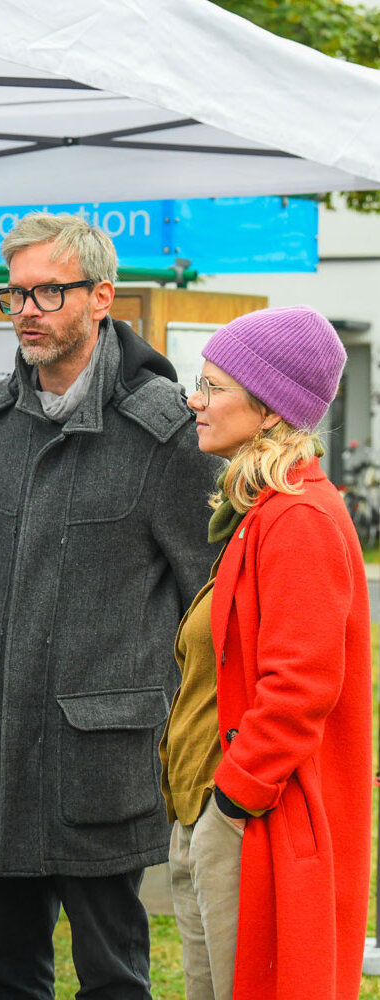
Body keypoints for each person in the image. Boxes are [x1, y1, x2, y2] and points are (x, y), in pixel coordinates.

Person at [0, 212, 223, 999]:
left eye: (47, 292)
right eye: (15, 294)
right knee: (0, 971)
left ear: (100, 296)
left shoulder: (164, 431)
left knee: (111, 979)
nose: (27, 310)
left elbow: (209, 595)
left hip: (101, 767)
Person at [159, 306, 370, 1000]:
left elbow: (299, 687)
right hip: (218, 817)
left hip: (250, 825)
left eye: (213, 386)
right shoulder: (261, 510)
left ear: (271, 409)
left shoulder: (298, 518)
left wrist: (232, 802)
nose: (195, 400)